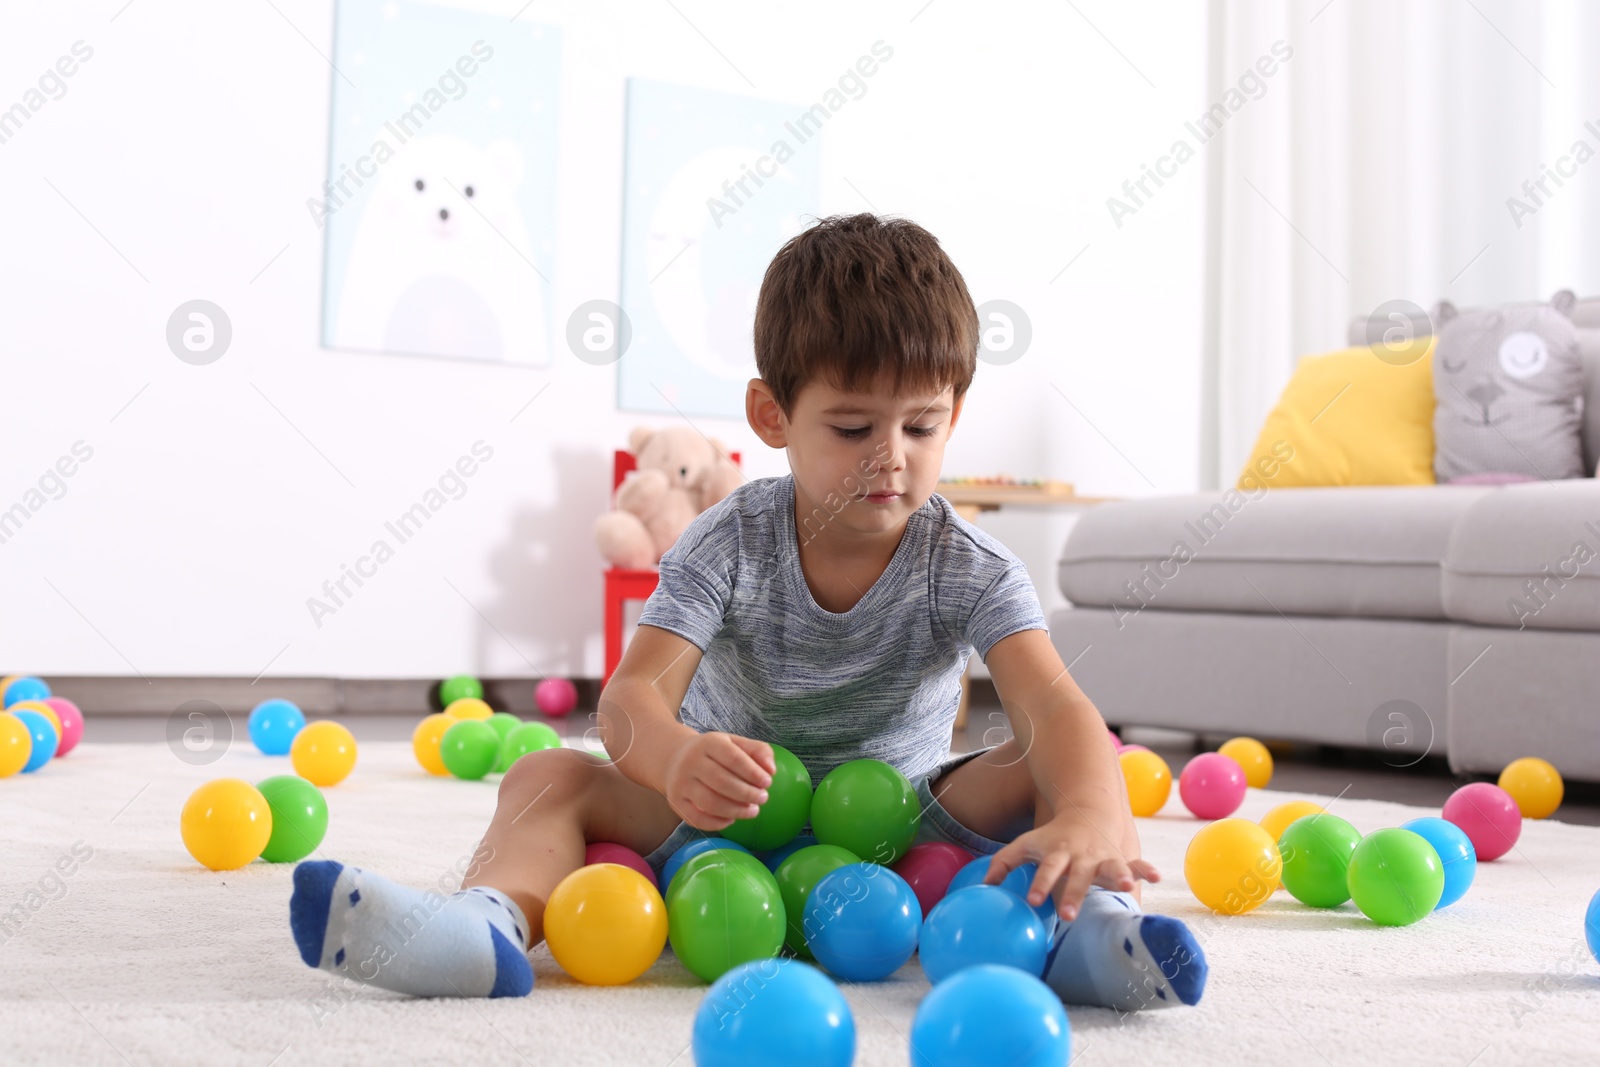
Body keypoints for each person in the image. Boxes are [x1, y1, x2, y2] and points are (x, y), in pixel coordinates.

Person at [287, 213, 1207, 1010]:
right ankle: (483, 930)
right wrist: (679, 756)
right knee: (544, 777)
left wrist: (1085, 808)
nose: (892, 456)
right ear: (772, 415)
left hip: (898, 826)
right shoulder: (729, 540)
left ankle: (1099, 935)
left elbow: (1052, 707)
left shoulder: (966, 563)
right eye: (853, 427)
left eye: (921, 425)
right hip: (721, 815)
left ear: (954, 411)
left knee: (1067, 766)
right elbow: (631, 698)